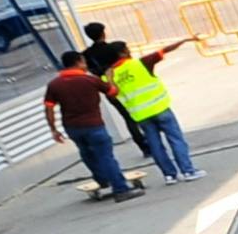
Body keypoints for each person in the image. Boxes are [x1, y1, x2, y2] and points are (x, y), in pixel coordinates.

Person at [93, 37, 197, 181]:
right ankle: (188, 171)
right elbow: (164, 50)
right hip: (160, 108)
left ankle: (169, 175)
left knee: (155, 146)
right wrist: (185, 40)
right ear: (122, 53)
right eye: (126, 49)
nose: (129, 51)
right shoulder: (141, 63)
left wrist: (109, 77)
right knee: (176, 139)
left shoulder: (108, 76)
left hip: (140, 115)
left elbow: (112, 94)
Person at [42, 54, 140, 200]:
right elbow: (113, 92)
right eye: (84, 62)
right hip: (94, 125)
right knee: (106, 157)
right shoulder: (90, 80)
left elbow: (49, 108)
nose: (86, 65)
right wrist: (110, 79)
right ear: (78, 62)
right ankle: (121, 190)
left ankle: (103, 180)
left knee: (86, 153)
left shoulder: (54, 84)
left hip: (72, 128)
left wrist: (53, 129)